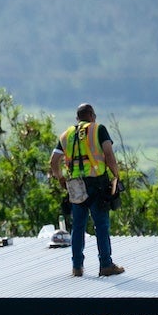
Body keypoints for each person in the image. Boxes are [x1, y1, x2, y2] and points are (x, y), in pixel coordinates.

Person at [49, 103, 124, 278]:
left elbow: (54, 161)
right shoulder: (99, 129)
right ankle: (106, 265)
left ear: (77, 118)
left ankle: (77, 267)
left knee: (78, 226)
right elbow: (108, 153)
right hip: (97, 183)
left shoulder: (66, 135)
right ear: (92, 115)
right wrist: (116, 175)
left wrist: (60, 179)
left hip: (75, 185)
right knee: (101, 225)